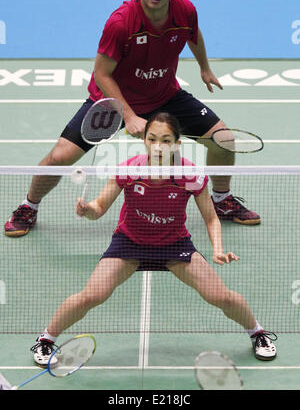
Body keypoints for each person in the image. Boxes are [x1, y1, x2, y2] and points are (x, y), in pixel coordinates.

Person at [4, 0, 260, 238]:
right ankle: (29, 206)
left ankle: (221, 200)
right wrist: (128, 115)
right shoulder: (121, 22)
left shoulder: (184, 10)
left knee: (223, 139)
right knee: (60, 157)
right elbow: (101, 74)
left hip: (165, 96)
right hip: (112, 102)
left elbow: (193, 34)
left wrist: (204, 67)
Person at [31, 113, 276, 366]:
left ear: (177, 144)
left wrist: (217, 249)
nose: (158, 146)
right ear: (144, 141)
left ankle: (258, 333)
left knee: (221, 296)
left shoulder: (190, 174)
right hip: (130, 242)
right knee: (91, 296)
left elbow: (212, 219)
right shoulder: (129, 169)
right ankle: (46, 339)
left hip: (174, 244)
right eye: (152, 138)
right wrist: (88, 210)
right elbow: (100, 207)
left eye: (166, 140)